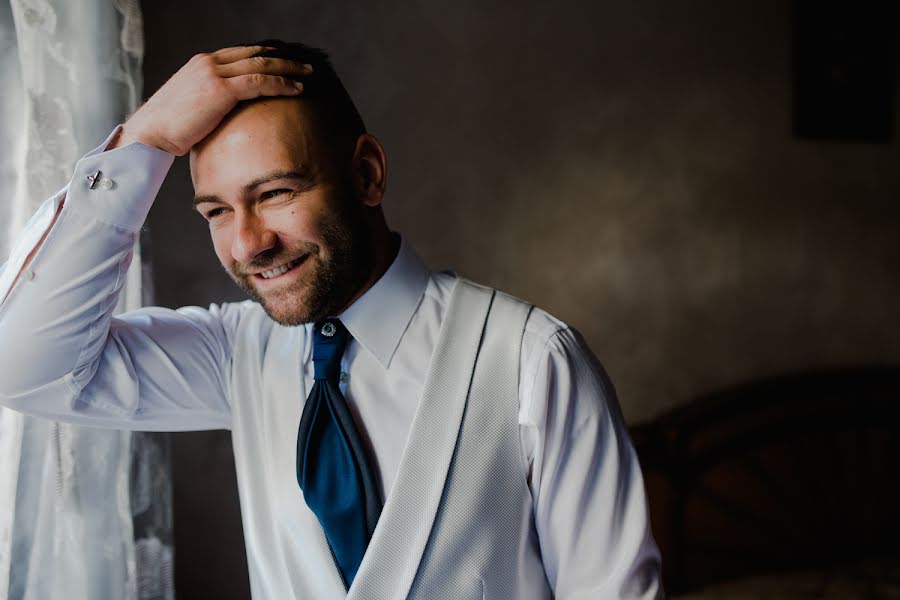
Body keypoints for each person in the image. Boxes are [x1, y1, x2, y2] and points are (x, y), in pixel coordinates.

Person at [0, 40, 663, 599]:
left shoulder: (531, 360)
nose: (248, 243)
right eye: (217, 212)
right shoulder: (235, 356)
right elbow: (23, 367)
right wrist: (144, 141)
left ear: (368, 174)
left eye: (276, 193)